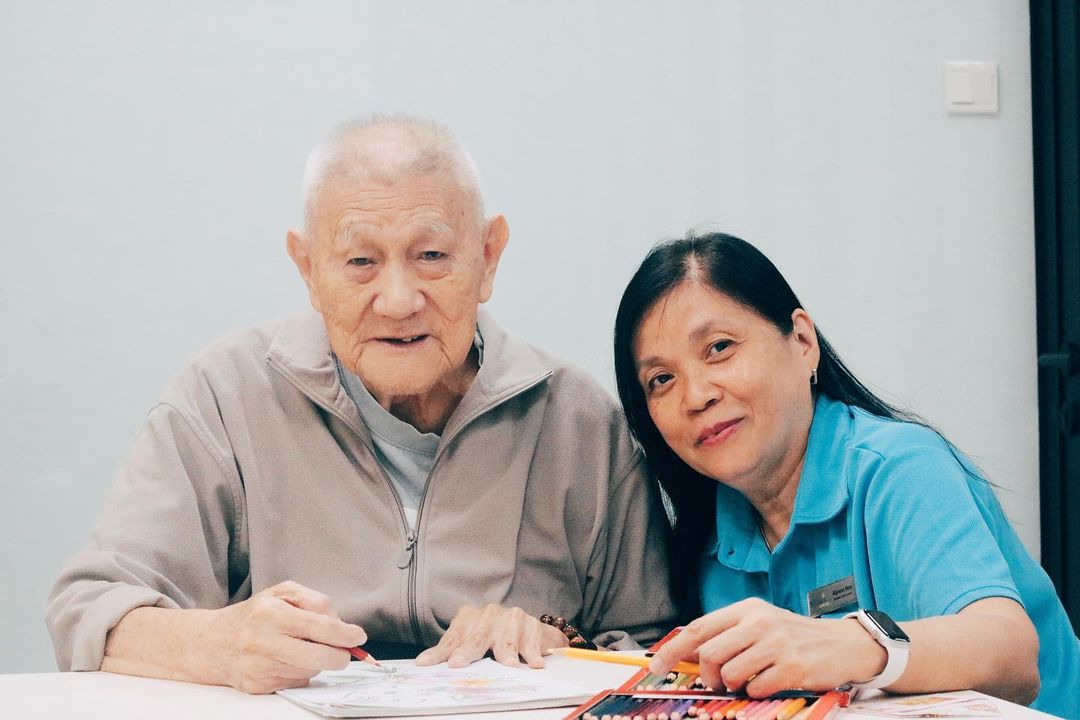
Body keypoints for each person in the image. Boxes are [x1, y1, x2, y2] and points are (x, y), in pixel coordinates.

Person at [46, 115, 677, 694]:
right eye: (360, 261)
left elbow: (658, 652)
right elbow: (89, 611)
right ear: (309, 268)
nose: (398, 300)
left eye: (431, 255)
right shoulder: (224, 397)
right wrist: (221, 643)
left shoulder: (582, 425)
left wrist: (557, 644)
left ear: (488, 256)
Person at [611, 232, 1079, 719]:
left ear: (803, 341)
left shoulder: (898, 466)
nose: (695, 396)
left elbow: (1011, 654)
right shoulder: (710, 536)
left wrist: (854, 644)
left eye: (719, 347)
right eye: (660, 379)